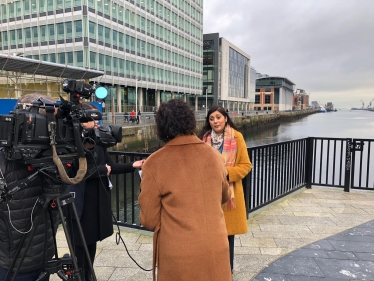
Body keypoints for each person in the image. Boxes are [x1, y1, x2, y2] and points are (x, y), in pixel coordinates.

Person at [138, 99, 232, 281]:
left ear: (161, 127)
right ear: (190, 121)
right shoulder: (214, 156)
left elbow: (148, 219)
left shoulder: (154, 163)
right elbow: (224, 196)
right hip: (216, 245)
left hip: (178, 253)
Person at [66, 103, 144, 280]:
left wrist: (132, 165)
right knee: (79, 244)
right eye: (89, 120)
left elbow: (111, 165)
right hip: (80, 203)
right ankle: (79, 276)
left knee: (91, 242)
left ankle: (89, 274)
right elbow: (74, 172)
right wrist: (102, 170)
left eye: (95, 120)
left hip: (97, 201)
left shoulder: (98, 141)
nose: (95, 124)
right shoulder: (70, 141)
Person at [0, 94, 59, 281]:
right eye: (48, 123)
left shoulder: (50, 155)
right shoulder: (4, 160)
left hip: (44, 255)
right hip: (13, 263)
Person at [198, 105, 252, 273]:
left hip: (230, 195)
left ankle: (227, 270)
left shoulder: (237, 137)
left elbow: (246, 165)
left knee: (228, 236)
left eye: (218, 117)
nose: (215, 121)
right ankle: (211, 268)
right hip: (208, 194)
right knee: (209, 235)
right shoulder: (203, 139)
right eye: (212, 118)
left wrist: (226, 173)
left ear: (226, 118)